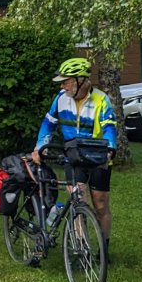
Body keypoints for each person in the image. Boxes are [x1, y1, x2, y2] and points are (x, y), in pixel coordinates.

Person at [32, 57, 117, 259]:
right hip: (73, 157)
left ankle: (103, 251)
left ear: (81, 80)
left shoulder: (101, 100)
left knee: (101, 204)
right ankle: (81, 250)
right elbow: (48, 123)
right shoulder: (61, 98)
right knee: (78, 199)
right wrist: (39, 147)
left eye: (66, 81)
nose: (62, 85)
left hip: (98, 157)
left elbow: (109, 128)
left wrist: (110, 149)